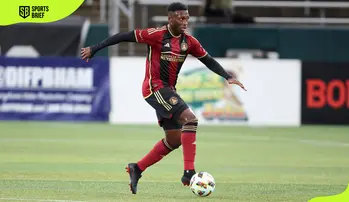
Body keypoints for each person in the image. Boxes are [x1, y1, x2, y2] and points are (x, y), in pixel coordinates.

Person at [80, 2, 246, 195]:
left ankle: (137, 168)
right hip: (154, 88)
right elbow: (123, 36)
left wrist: (228, 77)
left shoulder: (189, 42)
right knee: (190, 120)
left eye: (187, 18)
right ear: (170, 18)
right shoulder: (156, 35)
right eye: (180, 18)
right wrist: (95, 48)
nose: (185, 22)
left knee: (174, 140)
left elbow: (207, 60)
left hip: (168, 90)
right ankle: (189, 171)